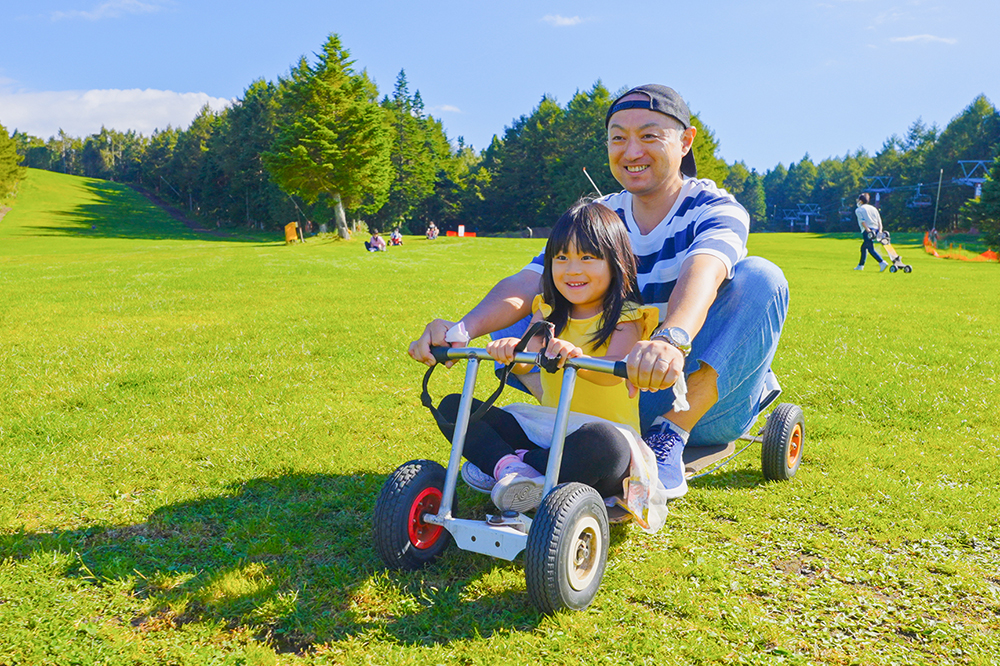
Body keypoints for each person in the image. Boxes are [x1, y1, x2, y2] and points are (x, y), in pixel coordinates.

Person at [409, 84, 789, 501]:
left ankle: (669, 434)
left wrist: (670, 340)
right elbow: (528, 281)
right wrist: (461, 329)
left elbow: (705, 269)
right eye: (618, 138)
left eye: (648, 135)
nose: (631, 151)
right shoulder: (600, 215)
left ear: (685, 141)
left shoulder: (714, 208)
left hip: (691, 393)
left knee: (762, 279)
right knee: (538, 300)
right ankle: (536, 446)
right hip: (601, 390)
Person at [433, 200, 658, 513]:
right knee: (452, 407)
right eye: (561, 257)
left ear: (616, 262)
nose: (572, 269)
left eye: (588, 258)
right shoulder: (548, 310)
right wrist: (513, 352)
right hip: (549, 430)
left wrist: (575, 358)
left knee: (606, 445)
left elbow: (613, 370)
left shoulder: (627, 315)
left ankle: (518, 466)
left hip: (599, 442)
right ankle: (511, 468)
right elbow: (531, 357)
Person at [854, 193, 889, 271]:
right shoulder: (873, 208)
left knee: (870, 249)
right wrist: (880, 230)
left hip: (868, 231)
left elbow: (863, 222)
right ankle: (860, 266)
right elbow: (879, 221)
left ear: (860, 200)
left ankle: (882, 262)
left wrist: (868, 231)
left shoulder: (859, 210)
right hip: (876, 229)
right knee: (863, 248)